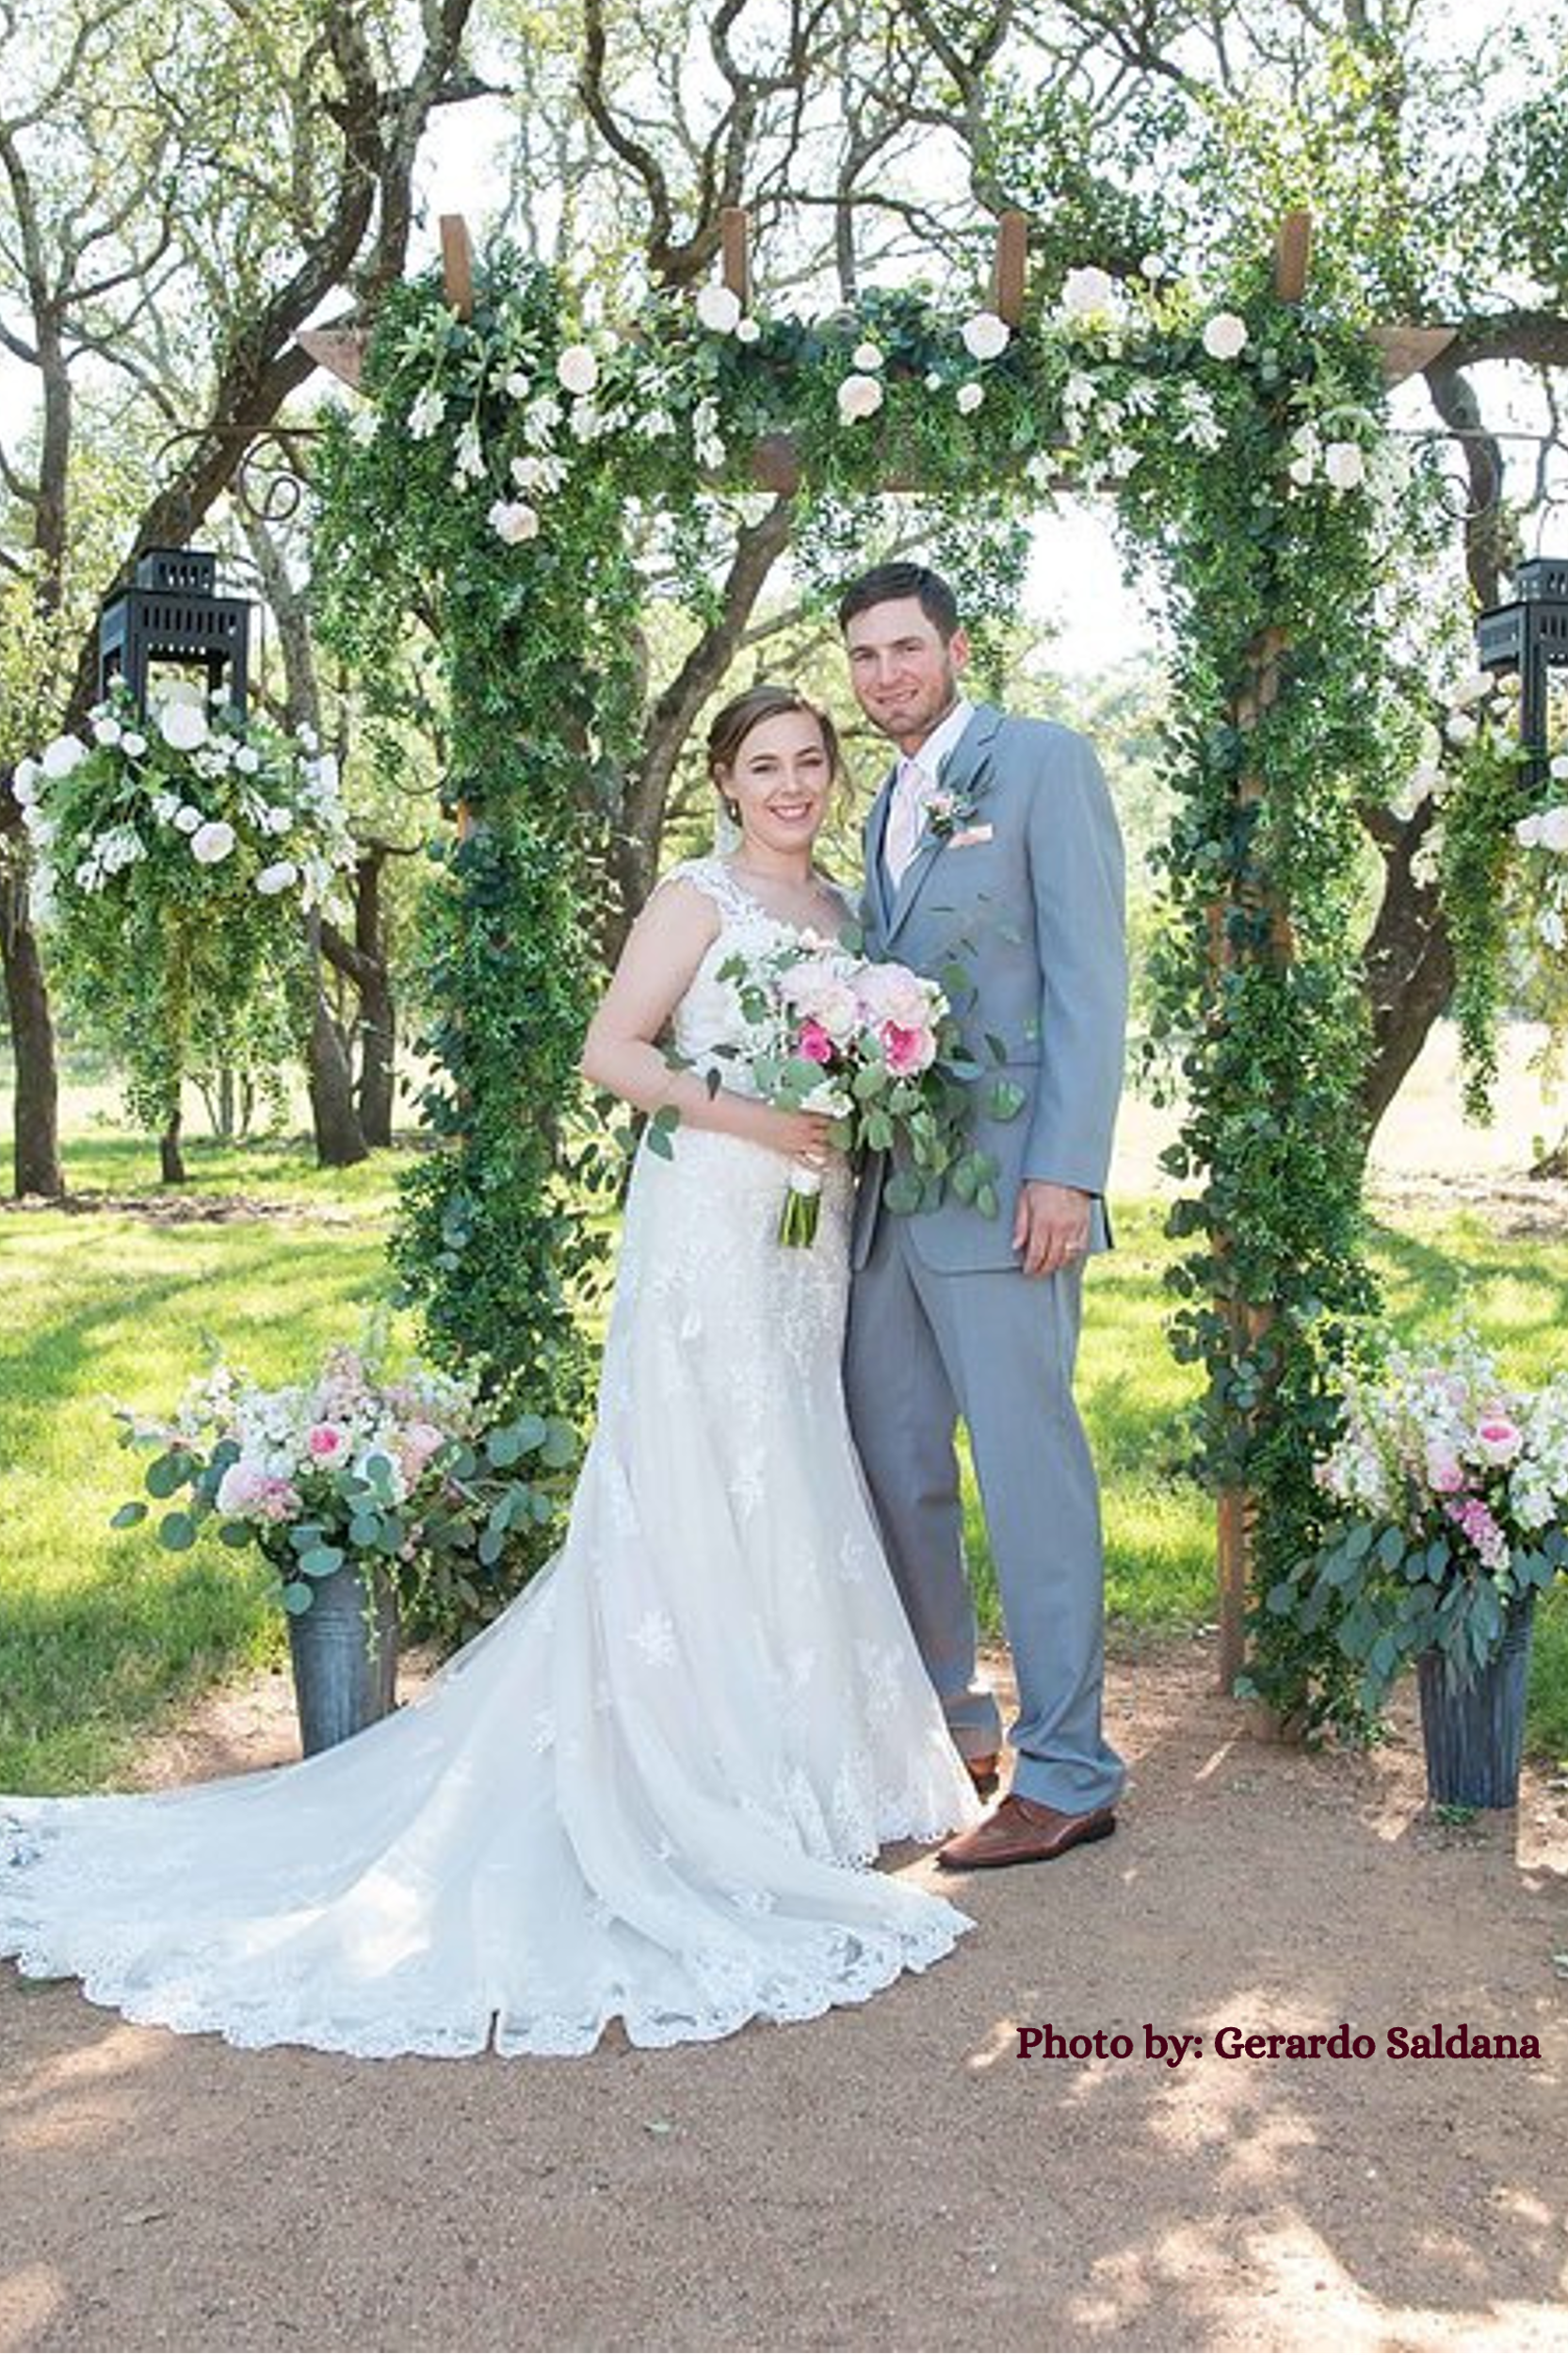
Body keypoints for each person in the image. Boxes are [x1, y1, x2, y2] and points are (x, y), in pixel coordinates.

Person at [0, 684, 978, 2059]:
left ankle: (812, 1763)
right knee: (697, 1465)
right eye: (766, 764)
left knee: (791, 1454)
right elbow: (610, 1051)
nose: (795, 784)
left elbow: (857, 1059)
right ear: (722, 779)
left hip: (804, 1242)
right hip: (709, 1212)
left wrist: (859, 1096)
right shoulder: (696, 898)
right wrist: (756, 1117)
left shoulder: (846, 919)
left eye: (812, 761)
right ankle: (688, 1767)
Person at [839, 562, 1128, 1871]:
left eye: (906, 648)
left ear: (956, 648)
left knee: (1028, 1476)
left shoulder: (1044, 765)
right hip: (893, 1197)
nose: (886, 674)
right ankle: (954, 1727)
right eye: (864, 656)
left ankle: (1071, 1770)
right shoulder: (886, 802)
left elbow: (1090, 978)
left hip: (1014, 1193)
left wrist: (1065, 1170)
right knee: (897, 1466)